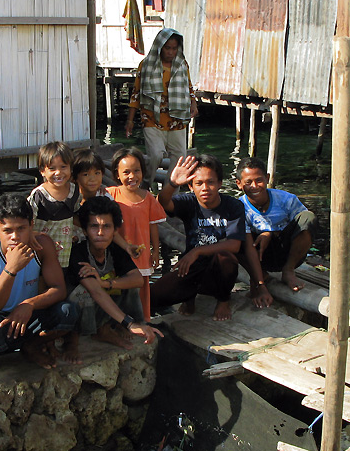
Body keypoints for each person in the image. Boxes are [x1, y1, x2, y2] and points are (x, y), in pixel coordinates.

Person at [0, 193, 80, 378]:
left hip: (26, 314)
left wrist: (29, 304)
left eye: (21, 229)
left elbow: (59, 289)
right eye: (8, 230)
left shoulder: (42, 244)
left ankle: (32, 345)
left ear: (31, 226)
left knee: (68, 311)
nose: (15, 237)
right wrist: (11, 269)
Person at [151, 154, 246, 322]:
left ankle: (224, 299)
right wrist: (172, 184)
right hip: (191, 268)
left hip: (218, 270)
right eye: (199, 183)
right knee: (152, 296)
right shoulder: (189, 202)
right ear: (191, 185)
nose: (205, 188)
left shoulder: (233, 206)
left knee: (226, 258)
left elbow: (234, 245)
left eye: (210, 182)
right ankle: (189, 298)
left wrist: (198, 251)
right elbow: (162, 202)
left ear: (219, 184)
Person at [66, 196, 163, 348]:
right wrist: (129, 323)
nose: (100, 232)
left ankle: (109, 327)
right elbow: (95, 291)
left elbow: (138, 280)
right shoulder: (78, 253)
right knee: (82, 293)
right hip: (80, 309)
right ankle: (73, 339)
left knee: (128, 284)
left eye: (106, 227)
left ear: (115, 231)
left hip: (103, 299)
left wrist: (105, 283)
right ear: (84, 230)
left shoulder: (115, 249)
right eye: (94, 227)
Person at [236, 157, 315, 305]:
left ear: (267, 178)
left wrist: (270, 233)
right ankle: (260, 277)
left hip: (287, 253)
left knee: (308, 217)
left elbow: (302, 226)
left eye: (259, 180)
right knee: (231, 236)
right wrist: (259, 283)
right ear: (239, 184)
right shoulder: (239, 208)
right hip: (259, 256)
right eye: (248, 182)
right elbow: (245, 244)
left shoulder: (286, 199)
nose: (254, 186)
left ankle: (288, 270)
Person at [125, 28, 199, 187]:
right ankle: (144, 185)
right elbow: (136, 93)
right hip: (152, 117)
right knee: (155, 156)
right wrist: (130, 120)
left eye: (174, 48)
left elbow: (189, 88)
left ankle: (170, 193)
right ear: (160, 46)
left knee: (180, 158)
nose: (171, 52)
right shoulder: (146, 65)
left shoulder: (181, 64)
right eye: (168, 48)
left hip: (176, 118)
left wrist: (193, 103)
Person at [107, 147, 166, 320]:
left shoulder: (148, 198)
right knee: (119, 288)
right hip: (117, 253)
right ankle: (119, 322)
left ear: (143, 172)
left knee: (142, 288)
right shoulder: (111, 195)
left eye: (136, 171)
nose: (131, 176)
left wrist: (156, 251)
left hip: (141, 253)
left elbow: (153, 226)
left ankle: (144, 320)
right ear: (117, 174)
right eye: (126, 172)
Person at [28, 141, 82, 268]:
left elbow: (74, 215)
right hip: (41, 251)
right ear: (42, 171)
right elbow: (27, 223)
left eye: (63, 167)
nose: (58, 173)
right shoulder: (39, 195)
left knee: (62, 275)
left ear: (70, 168)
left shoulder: (74, 191)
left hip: (65, 252)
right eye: (52, 168)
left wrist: (76, 234)